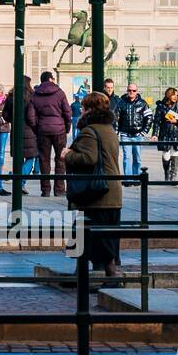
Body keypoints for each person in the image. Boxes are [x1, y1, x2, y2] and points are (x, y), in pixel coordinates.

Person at [62, 91, 123, 278]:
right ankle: (92, 273)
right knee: (101, 236)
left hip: (97, 193)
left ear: (89, 109)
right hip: (110, 191)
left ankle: (107, 276)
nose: (80, 110)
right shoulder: (109, 129)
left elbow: (89, 158)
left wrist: (68, 155)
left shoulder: (90, 131)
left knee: (89, 233)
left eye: (83, 107)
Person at [30, 71, 70, 196]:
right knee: (60, 160)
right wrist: (67, 127)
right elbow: (67, 113)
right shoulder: (60, 93)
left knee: (44, 160)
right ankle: (59, 189)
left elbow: (31, 116)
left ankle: (45, 190)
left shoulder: (35, 95)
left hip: (43, 130)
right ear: (51, 79)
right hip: (59, 130)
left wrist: (37, 128)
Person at [2, 77, 36, 194]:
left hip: (15, 130)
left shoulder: (11, 97)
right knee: (31, 157)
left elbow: (5, 115)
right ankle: (20, 183)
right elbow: (32, 116)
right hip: (29, 130)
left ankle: (18, 181)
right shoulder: (31, 97)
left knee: (18, 159)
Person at [112, 82, 151, 179]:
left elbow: (149, 117)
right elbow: (116, 118)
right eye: (129, 90)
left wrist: (144, 131)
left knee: (137, 158)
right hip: (125, 135)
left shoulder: (143, 103)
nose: (131, 92)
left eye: (134, 90)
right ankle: (128, 179)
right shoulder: (121, 103)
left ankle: (136, 177)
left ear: (137, 92)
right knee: (127, 158)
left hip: (138, 135)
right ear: (127, 91)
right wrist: (116, 133)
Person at [152, 87, 178, 182]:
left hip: (177, 133)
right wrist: (155, 134)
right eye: (174, 95)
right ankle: (167, 173)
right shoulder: (161, 106)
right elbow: (157, 121)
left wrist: (176, 121)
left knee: (175, 152)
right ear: (168, 95)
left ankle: (173, 176)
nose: (176, 97)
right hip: (165, 133)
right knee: (166, 154)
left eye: (177, 95)